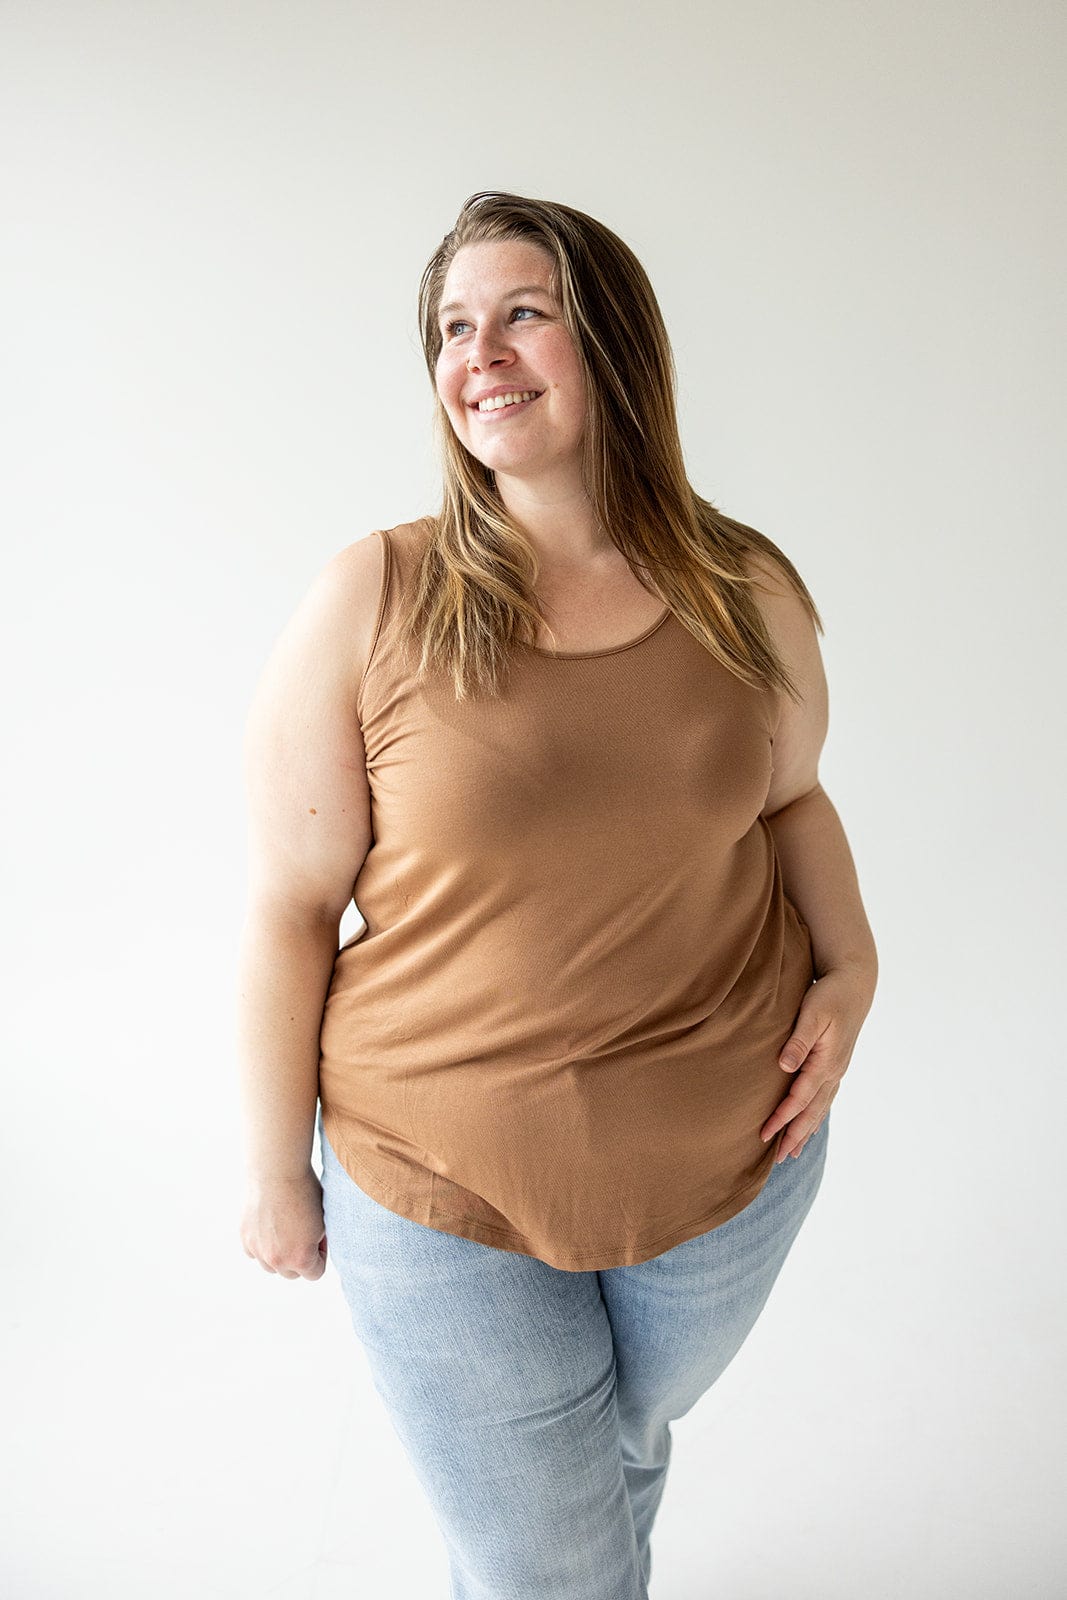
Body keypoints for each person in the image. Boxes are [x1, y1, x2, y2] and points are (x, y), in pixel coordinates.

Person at [237, 190, 878, 1598]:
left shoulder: (742, 587)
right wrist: (278, 1168)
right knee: (549, 1564)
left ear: (614, 344)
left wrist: (853, 974)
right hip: (440, 1177)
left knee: (615, 1456)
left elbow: (791, 803)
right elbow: (292, 910)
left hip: (733, 1178)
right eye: (454, 329)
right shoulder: (373, 596)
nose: (482, 353)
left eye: (523, 312)